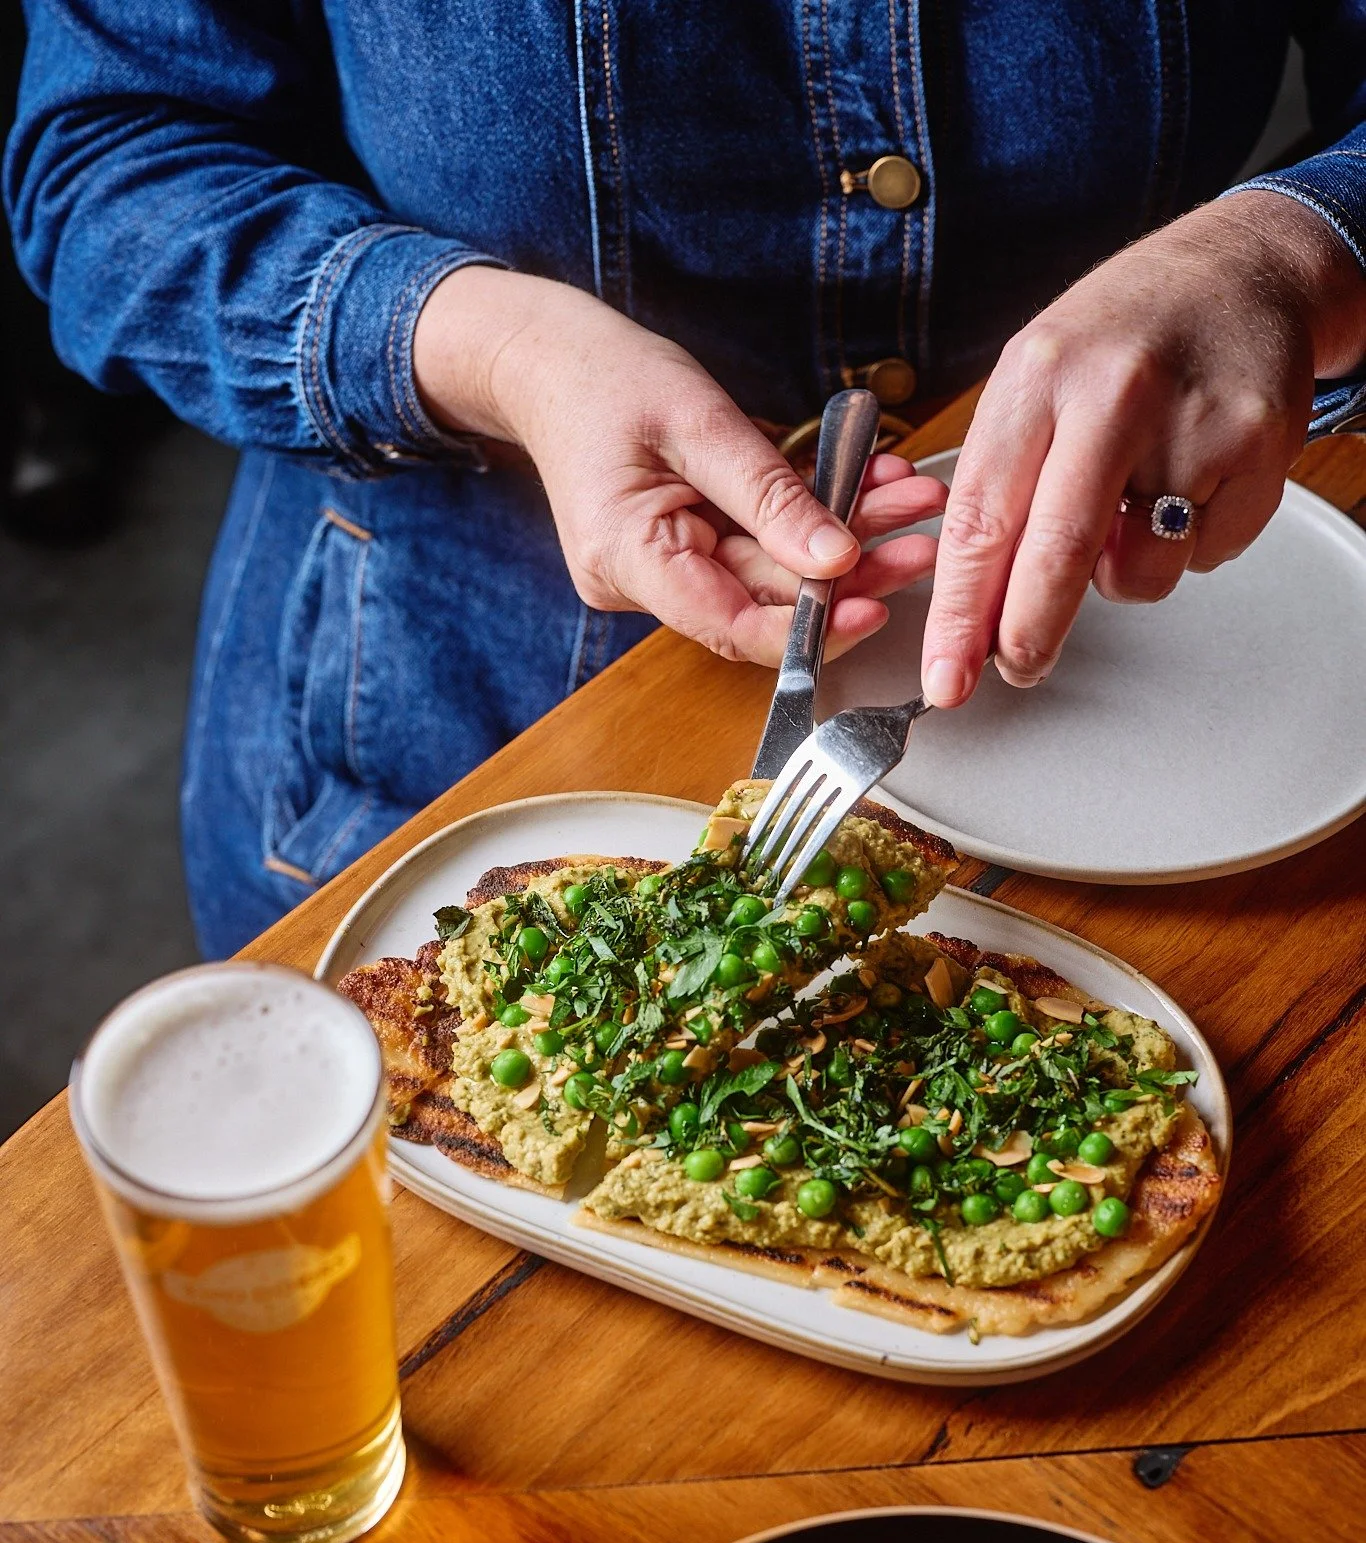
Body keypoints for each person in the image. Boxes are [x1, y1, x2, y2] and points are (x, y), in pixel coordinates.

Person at [7, 4, 1366, 955]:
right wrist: (503, 352)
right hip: (443, 731)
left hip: (1172, 731)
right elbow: (107, 164)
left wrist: (1294, 257)